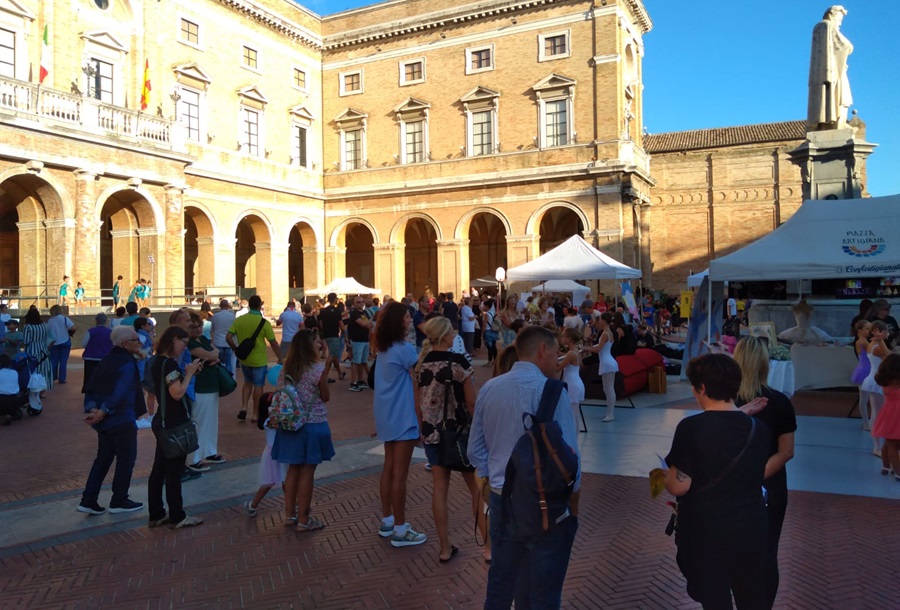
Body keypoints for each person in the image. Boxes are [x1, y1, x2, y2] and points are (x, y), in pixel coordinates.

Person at [468, 325, 581, 609]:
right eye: (556, 351)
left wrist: (495, 479)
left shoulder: (490, 388)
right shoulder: (552, 391)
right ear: (542, 350)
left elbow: (475, 450)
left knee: (501, 586)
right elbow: (571, 460)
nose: (558, 358)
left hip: (502, 501)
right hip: (545, 504)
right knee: (544, 591)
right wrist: (572, 502)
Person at [664, 353, 769, 610]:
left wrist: (661, 477)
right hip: (751, 527)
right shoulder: (758, 428)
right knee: (749, 595)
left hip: (707, 531)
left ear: (701, 388)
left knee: (715, 599)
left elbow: (679, 485)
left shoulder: (691, 428)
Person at [733, 337, 797, 609]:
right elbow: (786, 451)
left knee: (741, 554)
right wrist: (759, 476)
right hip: (769, 488)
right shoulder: (779, 401)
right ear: (763, 364)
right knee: (766, 554)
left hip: (738, 490)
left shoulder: (725, 403)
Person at [414, 316, 484, 562]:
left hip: (432, 432)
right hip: (458, 431)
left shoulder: (420, 364)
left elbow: (417, 404)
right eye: (452, 332)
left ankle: (444, 547)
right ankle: (488, 546)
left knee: (439, 489)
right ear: (444, 335)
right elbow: (471, 402)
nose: (455, 335)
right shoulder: (458, 362)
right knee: (476, 487)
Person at [78, 325, 147, 515]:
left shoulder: (105, 361)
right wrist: (104, 410)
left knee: (103, 459)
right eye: (135, 340)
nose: (139, 342)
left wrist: (93, 409)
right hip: (121, 418)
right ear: (125, 344)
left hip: (104, 422)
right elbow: (122, 389)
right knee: (126, 459)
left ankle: (88, 499)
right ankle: (119, 500)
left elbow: (90, 388)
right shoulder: (126, 362)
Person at [372, 301, 425, 547]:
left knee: (389, 468)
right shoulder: (403, 349)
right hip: (402, 413)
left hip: (385, 412)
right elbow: (420, 373)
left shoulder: (383, 348)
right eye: (406, 317)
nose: (409, 320)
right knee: (399, 474)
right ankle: (401, 530)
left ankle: (388, 520)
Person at [271, 330, 334, 531]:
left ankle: (290, 514)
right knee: (308, 471)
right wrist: (326, 355)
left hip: (290, 423)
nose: (320, 343)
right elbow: (326, 396)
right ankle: (304, 519)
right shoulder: (317, 369)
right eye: (317, 341)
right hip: (312, 423)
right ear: (310, 345)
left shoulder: (286, 369)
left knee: (293, 469)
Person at [147, 325, 205, 529]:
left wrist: (189, 373)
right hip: (173, 423)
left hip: (163, 421)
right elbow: (177, 393)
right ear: (174, 340)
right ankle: (177, 515)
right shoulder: (169, 365)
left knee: (159, 469)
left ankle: (156, 513)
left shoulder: (158, 362)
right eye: (183, 342)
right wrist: (188, 373)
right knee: (173, 471)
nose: (184, 348)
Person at [227, 295, 282, 422]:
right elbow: (273, 342)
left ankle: (244, 407)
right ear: (259, 306)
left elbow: (228, 337)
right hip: (259, 360)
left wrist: (236, 349)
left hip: (244, 359)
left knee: (247, 383)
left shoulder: (239, 320)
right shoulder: (264, 323)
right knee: (258, 386)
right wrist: (280, 357)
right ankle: (255, 414)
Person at [187, 311, 225, 471]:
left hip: (211, 385)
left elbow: (215, 352)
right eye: (193, 327)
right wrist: (213, 355)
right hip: (199, 386)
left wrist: (213, 355)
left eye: (199, 326)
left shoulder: (202, 339)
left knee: (211, 420)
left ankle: (209, 451)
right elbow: (210, 354)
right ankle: (194, 457)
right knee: (198, 420)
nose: (197, 330)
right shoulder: (189, 343)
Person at [807, 5, 853, 130]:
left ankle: (838, 122)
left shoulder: (820, 28)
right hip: (832, 72)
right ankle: (835, 123)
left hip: (833, 69)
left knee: (843, 96)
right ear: (832, 15)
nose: (839, 24)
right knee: (840, 94)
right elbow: (844, 45)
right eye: (839, 20)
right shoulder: (826, 26)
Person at [245, 395, 287, 517]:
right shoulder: (268, 421)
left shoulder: (271, 419)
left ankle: (293, 505)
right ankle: (253, 505)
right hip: (273, 453)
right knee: (269, 482)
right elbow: (278, 425)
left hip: (280, 450)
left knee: (285, 480)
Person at [584, 312, 618, 422]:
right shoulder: (608, 332)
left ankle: (610, 414)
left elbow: (598, 349)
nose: (599, 321)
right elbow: (601, 347)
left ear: (604, 321)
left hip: (607, 362)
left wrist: (587, 348)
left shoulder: (605, 334)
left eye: (601, 319)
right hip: (608, 361)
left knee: (608, 389)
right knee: (608, 388)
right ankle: (610, 413)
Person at [862, 321, 889, 457]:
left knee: (877, 414)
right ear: (879, 331)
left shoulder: (874, 345)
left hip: (875, 380)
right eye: (885, 331)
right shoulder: (877, 347)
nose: (887, 334)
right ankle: (877, 447)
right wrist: (880, 340)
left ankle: (879, 445)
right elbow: (889, 357)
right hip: (876, 382)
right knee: (877, 415)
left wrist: (880, 340)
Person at [872, 354, 900, 480]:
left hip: (889, 412)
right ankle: (899, 472)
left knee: (888, 442)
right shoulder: (897, 382)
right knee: (894, 445)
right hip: (897, 413)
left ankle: (886, 466)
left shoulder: (885, 381)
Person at [556, 327, 585, 427]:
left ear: (569, 339)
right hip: (576, 382)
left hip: (572, 385)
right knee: (574, 415)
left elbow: (558, 368)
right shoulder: (575, 351)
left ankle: (573, 440)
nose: (562, 338)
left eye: (564, 336)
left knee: (572, 415)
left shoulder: (571, 354)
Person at [22, 306, 53, 392]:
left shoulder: (27, 327)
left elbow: (26, 341)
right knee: (44, 371)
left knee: (33, 371)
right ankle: (43, 390)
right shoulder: (44, 325)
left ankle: (34, 389)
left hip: (32, 350)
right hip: (44, 350)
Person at [346, 295, 373, 392]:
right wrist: (369, 324)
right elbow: (364, 324)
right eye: (358, 302)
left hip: (365, 340)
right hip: (357, 340)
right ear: (354, 304)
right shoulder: (354, 313)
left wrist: (369, 325)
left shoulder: (365, 312)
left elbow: (368, 323)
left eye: (362, 302)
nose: (361, 303)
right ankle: (353, 382)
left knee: (363, 361)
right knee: (356, 361)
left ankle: (360, 380)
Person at [81, 313, 113, 393]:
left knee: (89, 376)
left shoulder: (90, 331)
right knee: (105, 377)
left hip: (90, 357)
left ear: (96, 321)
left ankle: (89, 391)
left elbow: (84, 344)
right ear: (105, 321)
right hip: (105, 358)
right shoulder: (110, 332)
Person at [318, 292, 346, 384]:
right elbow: (341, 325)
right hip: (334, 335)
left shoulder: (323, 311)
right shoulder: (337, 311)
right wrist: (346, 335)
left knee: (333, 355)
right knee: (332, 355)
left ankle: (340, 373)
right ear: (335, 299)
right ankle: (325, 376)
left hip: (326, 335)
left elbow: (321, 324)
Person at [851, 319, 873, 430]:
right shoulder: (863, 342)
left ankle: (868, 422)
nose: (869, 331)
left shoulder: (863, 341)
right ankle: (866, 423)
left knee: (866, 398)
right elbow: (873, 352)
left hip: (865, 368)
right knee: (865, 398)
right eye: (867, 329)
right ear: (859, 330)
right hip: (865, 370)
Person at [46, 304, 74, 385]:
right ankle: (62, 378)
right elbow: (73, 327)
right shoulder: (65, 318)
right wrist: (71, 333)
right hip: (65, 340)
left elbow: (48, 330)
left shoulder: (50, 320)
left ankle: (53, 377)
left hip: (54, 343)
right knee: (63, 361)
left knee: (53, 361)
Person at [211, 299, 236, 374]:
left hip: (218, 341)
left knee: (220, 362)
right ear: (228, 306)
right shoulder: (232, 316)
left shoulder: (215, 316)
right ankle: (229, 378)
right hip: (229, 342)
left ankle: (221, 377)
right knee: (229, 362)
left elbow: (213, 329)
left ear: (220, 306)